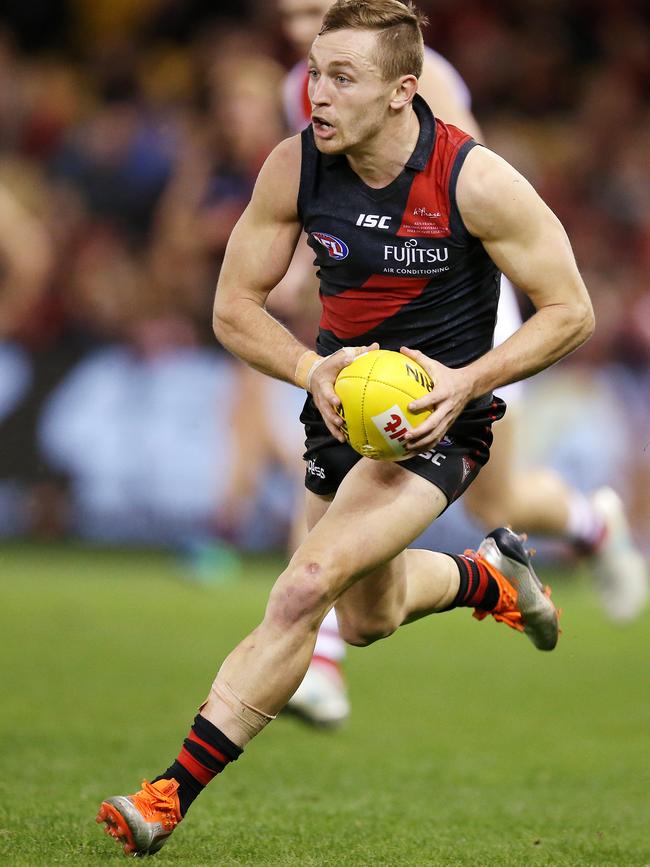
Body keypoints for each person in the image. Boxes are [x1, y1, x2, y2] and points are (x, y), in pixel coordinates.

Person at [97, 0, 594, 855]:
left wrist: (465, 382)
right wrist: (311, 369)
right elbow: (231, 308)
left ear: (404, 90)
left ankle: (167, 793)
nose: (315, 94)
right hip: (339, 405)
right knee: (369, 613)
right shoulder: (294, 167)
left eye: (341, 77)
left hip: (436, 420)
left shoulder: (474, 178)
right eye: (315, 73)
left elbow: (572, 311)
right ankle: (491, 581)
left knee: (303, 584)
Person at [275, 0, 648, 728]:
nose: (299, 27)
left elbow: (462, 187)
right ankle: (320, 653)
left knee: (498, 503)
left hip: (454, 307)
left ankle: (592, 522)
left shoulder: (423, 79)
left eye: (313, 10)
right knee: (326, 452)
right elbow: (322, 196)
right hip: (379, 299)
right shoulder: (304, 85)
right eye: (290, 15)